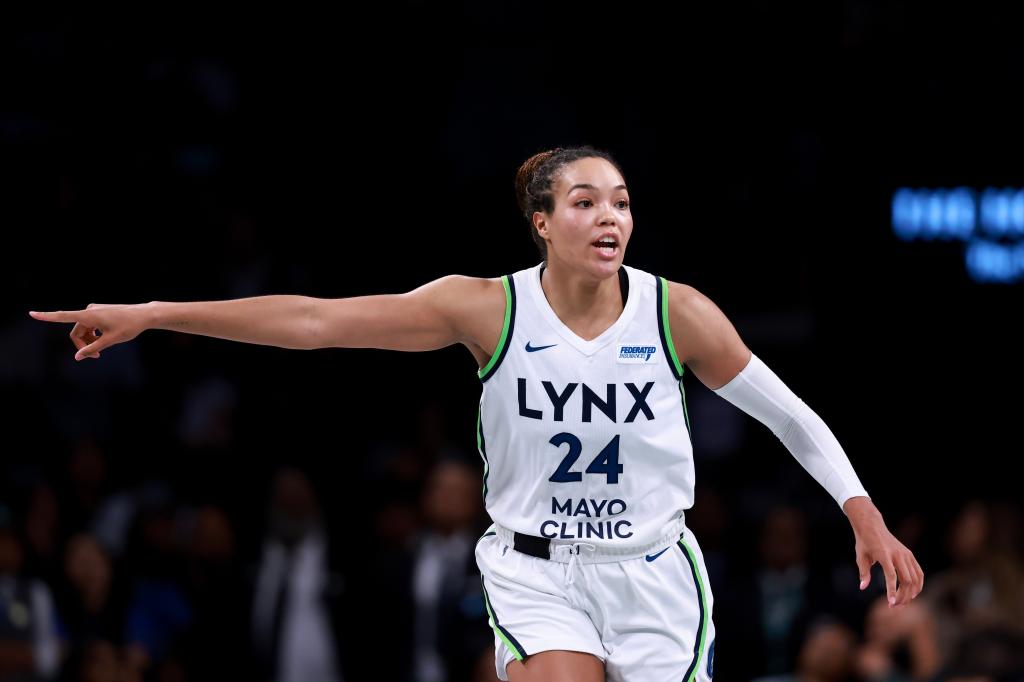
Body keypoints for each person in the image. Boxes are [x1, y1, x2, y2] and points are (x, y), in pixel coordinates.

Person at [28, 145, 925, 682]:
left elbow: (790, 413)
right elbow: (313, 321)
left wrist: (863, 513)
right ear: (542, 222)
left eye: (620, 202)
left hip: (653, 568)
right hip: (537, 570)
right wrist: (156, 314)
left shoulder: (675, 310)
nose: (608, 216)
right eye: (584, 201)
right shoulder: (485, 308)